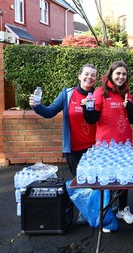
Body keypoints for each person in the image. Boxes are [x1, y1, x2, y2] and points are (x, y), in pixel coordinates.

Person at [29, 64, 98, 224]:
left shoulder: (97, 94)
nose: (89, 78)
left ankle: (97, 209)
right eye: (86, 74)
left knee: (95, 180)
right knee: (80, 181)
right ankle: (84, 211)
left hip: (95, 148)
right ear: (79, 76)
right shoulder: (67, 94)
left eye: (93, 75)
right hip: (74, 148)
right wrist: (36, 106)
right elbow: (49, 112)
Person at [82, 61, 133, 227]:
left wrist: (129, 107)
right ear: (111, 75)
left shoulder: (127, 94)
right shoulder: (100, 93)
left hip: (125, 144)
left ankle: (123, 209)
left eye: (124, 74)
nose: (121, 77)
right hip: (105, 146)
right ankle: (105, 215)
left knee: (124, 178)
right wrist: (87, 109)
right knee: (106, 180)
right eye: (118, 74)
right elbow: (92, 119)